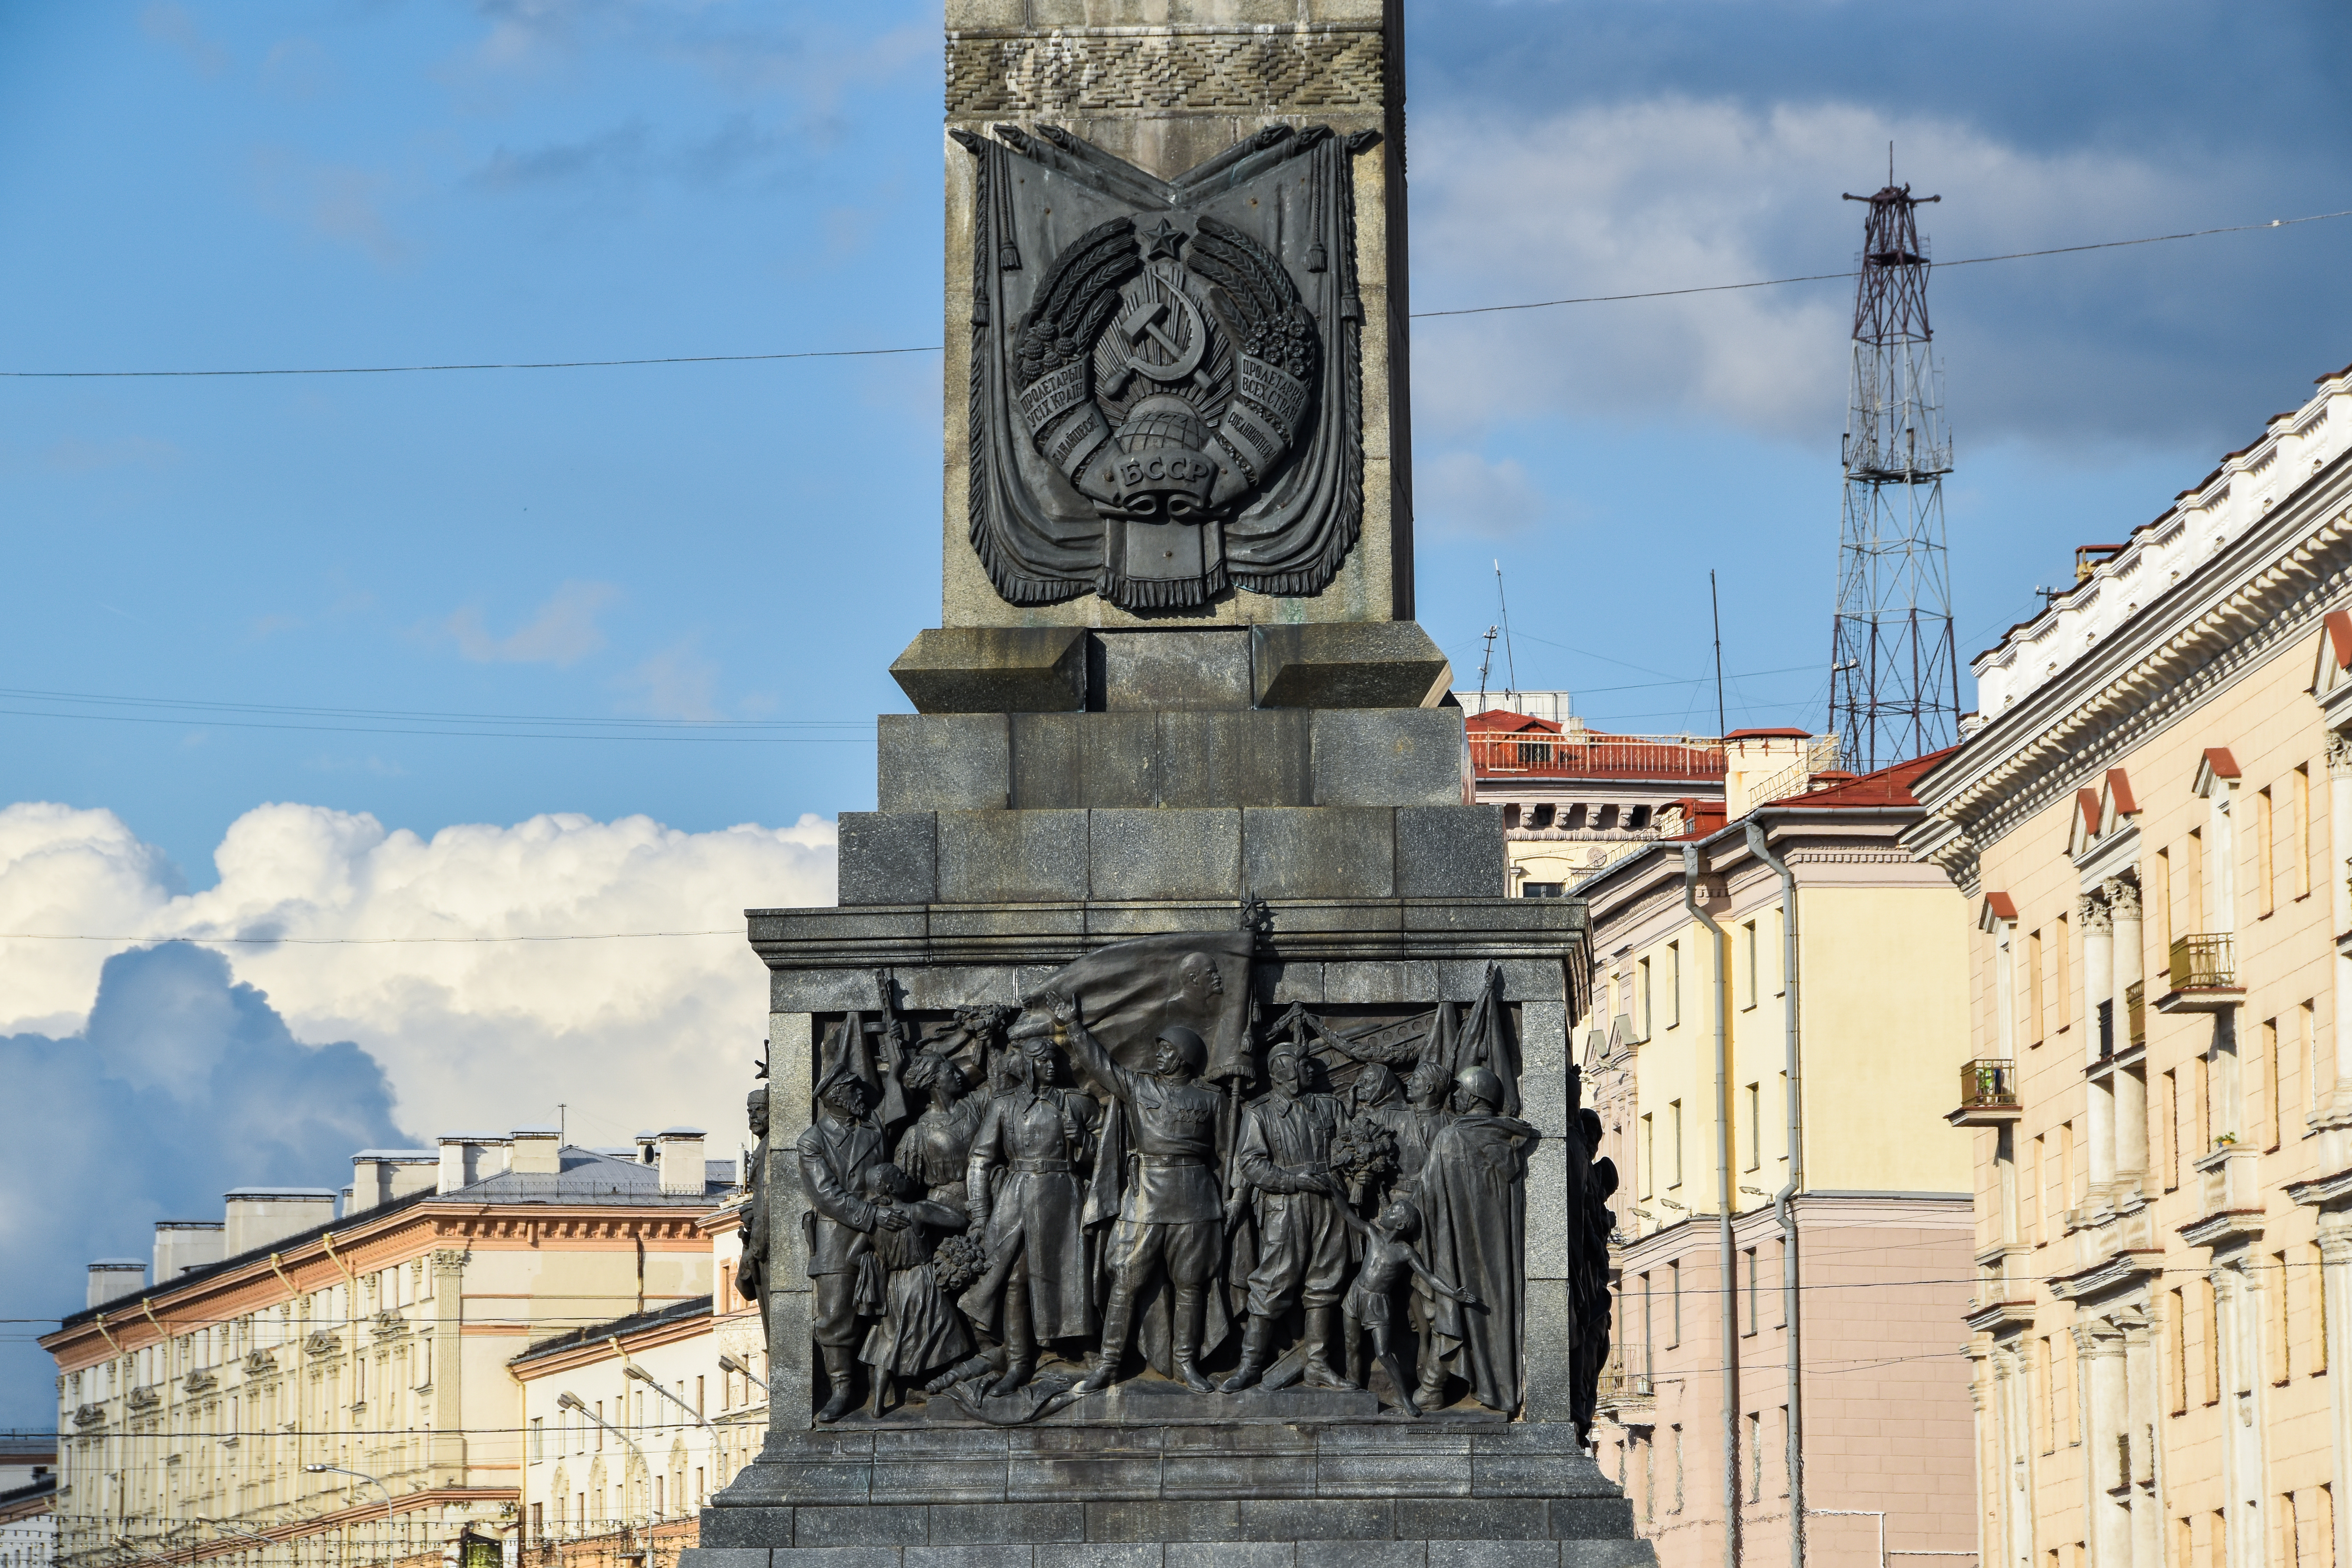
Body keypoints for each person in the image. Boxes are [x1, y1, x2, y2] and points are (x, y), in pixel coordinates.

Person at [1050, 992, 1226, 1395]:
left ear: (1183, 1056)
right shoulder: (1138, 1087)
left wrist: (1230, 1198)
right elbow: (1101, 1066)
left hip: (1196, 1197)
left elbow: (1225, 1153)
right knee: (1126, 1279)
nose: (1159, 1056)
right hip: (1146, 1196)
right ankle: (1108, 1364)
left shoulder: (1211, 1099)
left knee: (1191, 1284)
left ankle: (1186, 1361)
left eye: (1166, 1050)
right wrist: (1072, 1026)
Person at [961, 1029, 1099, 1395]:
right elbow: (980, 1160)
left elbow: (1107, 1157)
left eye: (1054, 1059)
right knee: (1013, 1279)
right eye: (1041, 1060)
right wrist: (979, 1214)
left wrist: (1083, 1141)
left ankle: (1078, 1347)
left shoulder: (1077, 1103)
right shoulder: (1003, 1105)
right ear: (1026, 1065)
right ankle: (1019, 1362)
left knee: (1069, 1276)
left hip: (1062, 1196)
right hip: (1017, 1196)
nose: (1050, 1066)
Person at [1410, 1064, 1538, 1415]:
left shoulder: (1451, 1138)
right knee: (1489, 1310)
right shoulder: (1514, 1140)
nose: (1456, 1097)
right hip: (1499, 1248)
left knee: (1449, 1304)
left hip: (1456, 1241)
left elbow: (1427, 1194)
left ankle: (1434, 1387)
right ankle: (1483, 1385)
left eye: (1461, 1091)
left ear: (1473, 1096)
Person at [1223, 1037, 1350, 1392]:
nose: (1310, 1069)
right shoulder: (1260, 1112)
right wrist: (1293, 1181)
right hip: (1286, 1204)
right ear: (1284, 1071)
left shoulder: (1330, 1107)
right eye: (1303, 1064)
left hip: (1328, 1201)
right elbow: (1250, 1162)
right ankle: (1250, 1365)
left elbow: (1351, 1147)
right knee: (1272, 1282)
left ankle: (1318, 1365)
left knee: (1325, 1282)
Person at [798, 1064, 905, 1423]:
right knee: (835, 1316)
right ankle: (842, 1388)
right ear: (838, 1097)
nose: (863, 1094)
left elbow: (899, 1108)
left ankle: (896, 1381)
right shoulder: (812, 1140)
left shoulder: (872, 1127)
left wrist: (896, 1069)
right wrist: (872, 1216)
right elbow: (826, 1195)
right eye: (855, 1090)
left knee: (895, 1304)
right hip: (837, 1235)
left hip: (883, 1230)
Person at [1327, 1191, 1478, 1416]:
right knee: (1351, 1344)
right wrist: (1333, 1192)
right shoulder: (1372, 1233)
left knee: (1384, 1353)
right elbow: (1348, 1214)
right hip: (1356, 1294)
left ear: (1399, 1225)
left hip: (1378, 1303)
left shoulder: (1406, 1253)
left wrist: (1453, 1294)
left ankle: (1406, 1398)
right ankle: (1354, 1387)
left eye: (1390, 1212)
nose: (1384, 1212)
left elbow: (1429, 1277)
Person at [855, 1163, 973, 1418]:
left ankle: (878, 1405)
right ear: (891, 1188)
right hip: (922, 1280)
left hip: (893, 1285)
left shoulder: (875, 1222)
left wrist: (880, 1260)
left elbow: (853, 1255)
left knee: (886, 1343)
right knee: (945, 1328)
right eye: (900, 1176)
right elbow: (959, 1220)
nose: (906, 1177)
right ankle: (959, 1380)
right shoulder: (916, 1211)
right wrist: (928, 1204)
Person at [898, 1050, 986, 1217]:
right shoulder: (917, 1133)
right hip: (947, 1210)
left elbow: (1002, 1091)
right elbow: (904, 1187)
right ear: (936, 1081)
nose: (959, 1075)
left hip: (985, 1196)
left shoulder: (975, 1104)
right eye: (951, 1073)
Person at [735, 1086, 770, 1348]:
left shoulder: (770, 1150)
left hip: (766, 1249)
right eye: (750, 1111)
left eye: (759, 1110)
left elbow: (768, 1201)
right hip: (759, 1240)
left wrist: (754, 1248)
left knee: (775, 1329)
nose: (753, 1117)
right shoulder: (762, 1149)